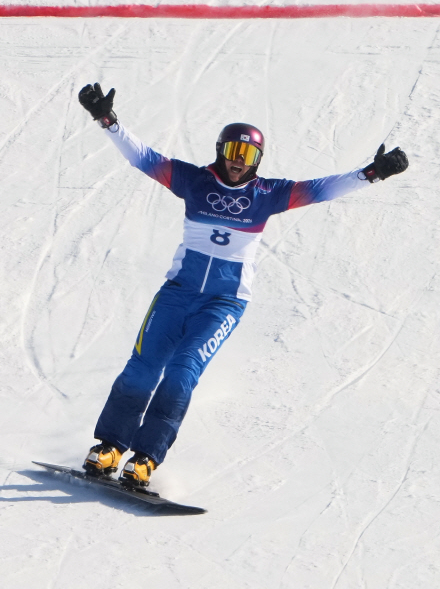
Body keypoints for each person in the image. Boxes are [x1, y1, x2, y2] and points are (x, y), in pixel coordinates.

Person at [75, 83, 409, 489]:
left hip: (223, 303)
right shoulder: (194, 181)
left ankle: (145, 457)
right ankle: (110, 445)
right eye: (233, 153)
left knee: (181, 375)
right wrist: (107, 122)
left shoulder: (267, 194)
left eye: (248, 156)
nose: (238, 163)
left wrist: (372, 174)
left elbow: (323, 188)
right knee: (142, 368)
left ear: (258, 159)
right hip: (177, 293)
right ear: (221, 151)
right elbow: (144, 158)